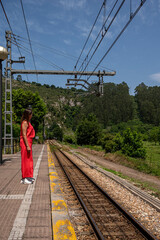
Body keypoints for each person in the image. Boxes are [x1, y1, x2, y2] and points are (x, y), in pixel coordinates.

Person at [20, 109, 35, 184]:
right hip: (25, 143)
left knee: (29, 160)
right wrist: (27, 146)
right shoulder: (25, 123)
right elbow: (24, 135)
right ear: (27, 115)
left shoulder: (27, 122)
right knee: (25, 160)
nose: (31, 116)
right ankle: (25, 177)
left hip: (28, 142)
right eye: (31, 114)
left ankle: (28, 176)